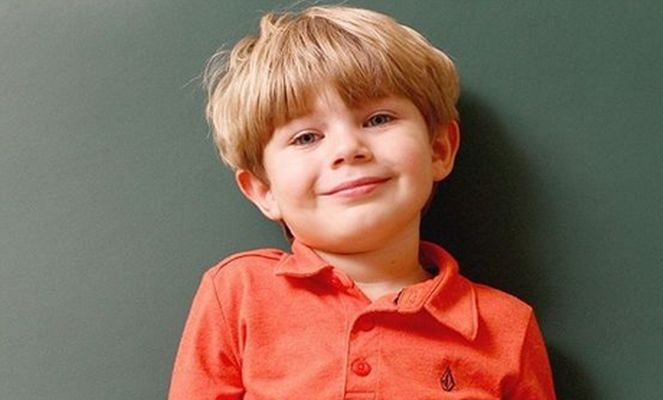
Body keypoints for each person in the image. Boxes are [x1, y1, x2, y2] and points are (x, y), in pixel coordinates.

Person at [169, 5, 556, 399]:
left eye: (378, 119)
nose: (348, 149)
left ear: (439, 149)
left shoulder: (505, 328)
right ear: (264, 190)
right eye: (306, 137)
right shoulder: (239, 292)